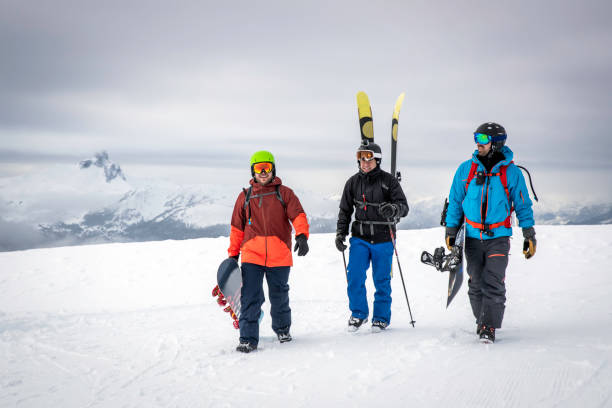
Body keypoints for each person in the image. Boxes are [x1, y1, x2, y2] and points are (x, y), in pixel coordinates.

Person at [444, 122, 536, 343]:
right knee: (475, 282)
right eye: (477, 138)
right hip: (472, 238)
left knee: (493, 281)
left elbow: (523, 205)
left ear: (496, 144)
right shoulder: (466, 169)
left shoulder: (511, 173)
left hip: (499, 238)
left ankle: (488, 326)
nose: (478, 143)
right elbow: (455, 200)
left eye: (483, 139)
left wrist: (529, 234)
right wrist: (450, 229)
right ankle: (482, 320)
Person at [228, 150, 310, 353]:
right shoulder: (244, 197)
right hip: (252, 255)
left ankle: (282, 329)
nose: (263, 172)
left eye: (267, 167)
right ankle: (247, 338)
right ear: (252, 171)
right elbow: (237, 229)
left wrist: (302, 235)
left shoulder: (285, 193)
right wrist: (233, 255)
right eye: (258, 168)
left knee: (279, 295)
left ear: (273, 169)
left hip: (279, 254)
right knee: (250, 297)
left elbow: (298, 215)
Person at [335, 143, 409, 332]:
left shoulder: (389, 181)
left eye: (369, 159)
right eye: (361, 159)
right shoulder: (352, 182)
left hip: (384, 238)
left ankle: (381, 318)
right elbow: (345, 210)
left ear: (377, 160)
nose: (365, 163)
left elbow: (403, 206)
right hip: (360, 237)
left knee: (382, 280)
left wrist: (393, 209)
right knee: (355, 276)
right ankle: (359, 314)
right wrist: (340, 234)